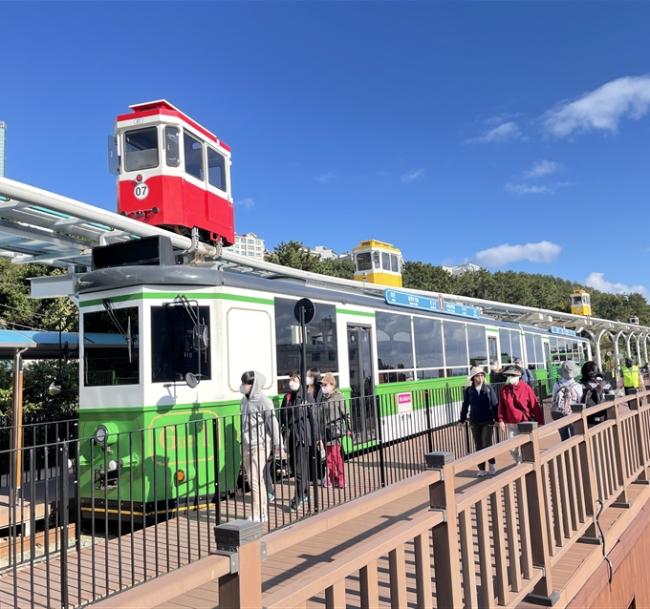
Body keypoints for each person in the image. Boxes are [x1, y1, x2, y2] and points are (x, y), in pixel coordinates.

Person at [239, 370, 284, 523]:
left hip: (260, 445)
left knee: (254, 480)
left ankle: (257, 513)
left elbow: (273, 424)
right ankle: (262, 511)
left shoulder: (264, 401)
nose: (243, 386)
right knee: (257, 480)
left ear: (253, 385)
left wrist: (278, 445)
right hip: (246, 444)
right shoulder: (244, 401)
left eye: (246, 383)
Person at [280, 372, 318, 511]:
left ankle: (298, 498)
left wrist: (316, 438)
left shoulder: (307, 397)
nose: (291, 381)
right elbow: (283, 417)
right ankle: (306, 492)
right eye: (290, 379)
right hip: (291, 437)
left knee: (299, 469)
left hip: (302, 437)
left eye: (294, 379)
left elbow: (313, 418)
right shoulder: (288, 397)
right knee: (295, 468)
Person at [497, 365, 544, 463]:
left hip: (525, 422)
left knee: (527, 445)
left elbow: (534, 404)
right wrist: (501, 420)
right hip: (511, 422)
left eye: (513, 375)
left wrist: (540, 421)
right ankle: (520, 462)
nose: (510, 377)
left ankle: (526, 464)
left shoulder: (526, 388)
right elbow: (501, 406)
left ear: (518, 376)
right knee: (512, 448)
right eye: (509, 375)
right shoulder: (504, 390)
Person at [459, 367, 499, 477]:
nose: (480, 377)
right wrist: (462, 421)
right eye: (477, 375)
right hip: (474, 421)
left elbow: (495, 404)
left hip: (487, 420)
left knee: (486, 443)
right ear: (473, 378)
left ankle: (491, 464)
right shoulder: (469, 391)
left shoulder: (489, 388)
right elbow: (465, 406)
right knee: (478, 444)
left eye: (482, 375)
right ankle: (481, 469)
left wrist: (498, 420)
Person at [319, 373, 350, 488]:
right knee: (328, 458)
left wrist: (348, 428)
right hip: (325, 431)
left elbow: (345, 414)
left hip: (335, 431)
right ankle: (332, 478)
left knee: (336, 456)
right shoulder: (322, 398)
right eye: (322, 385)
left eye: (325, 384)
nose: (323, 387)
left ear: (332, 385)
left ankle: (341, 479)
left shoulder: (338, 397)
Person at [551, 360, 583, 441]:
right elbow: (580, 401)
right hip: (573, 413)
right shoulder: (578, 386)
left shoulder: (557, 385)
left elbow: (553, 399)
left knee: (564, 438)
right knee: (575, 436)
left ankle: (566, 453)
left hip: (560, 414)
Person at [581, 361, 611, 425]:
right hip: (603, 416)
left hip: (588, 418)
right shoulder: (605, 383)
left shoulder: (581, 385)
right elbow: (612, 395)